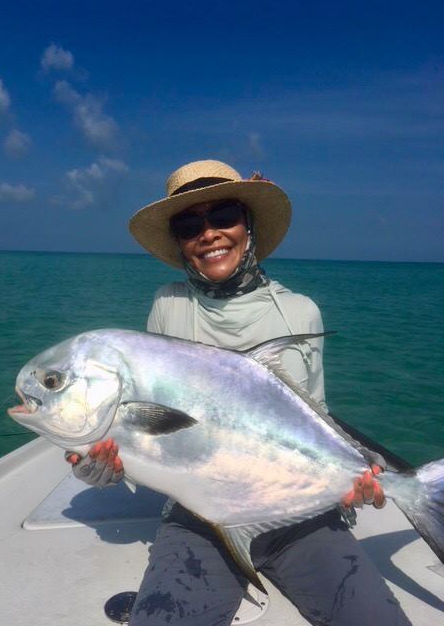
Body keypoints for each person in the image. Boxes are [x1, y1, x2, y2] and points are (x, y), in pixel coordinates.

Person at [67, 160, 410, 625]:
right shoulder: (169, 306)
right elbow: (153, 435)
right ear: (180, 243)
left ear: (247, 227)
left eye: (224, 216)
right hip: (201, 516)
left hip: (302, 516)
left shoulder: (298, 313)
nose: (208, 234)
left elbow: (317, 420)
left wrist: (353, 480)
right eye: (190, 224)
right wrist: (99, 465)